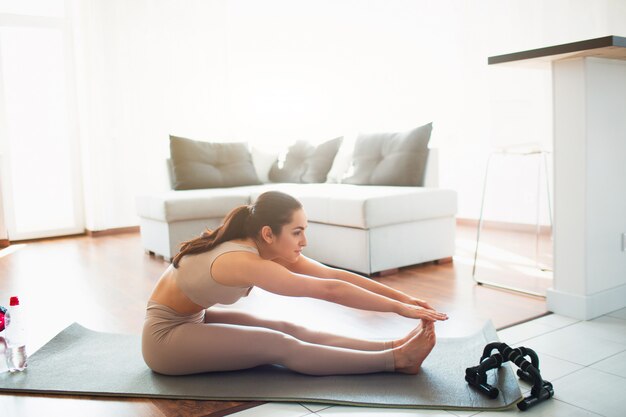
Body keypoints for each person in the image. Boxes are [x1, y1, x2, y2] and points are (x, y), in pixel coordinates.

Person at [142, 191, 448, 376]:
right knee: (279, 345)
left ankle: (390, 347)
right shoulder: (243, 260)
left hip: (195, 319)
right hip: (165, 337)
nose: (305, 241)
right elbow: (330, 291)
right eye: (297, 232)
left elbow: (334, 276)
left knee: (287, 328)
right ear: (268, 233)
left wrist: (404, 299)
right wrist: (397, 309)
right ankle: (397, 361)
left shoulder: (267, 248)